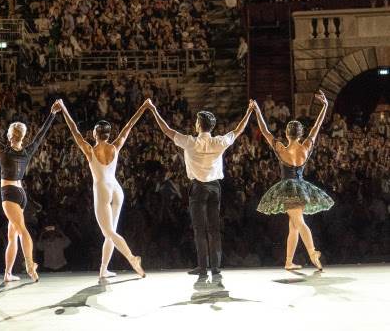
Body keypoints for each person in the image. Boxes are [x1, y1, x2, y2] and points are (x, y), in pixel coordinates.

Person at [147, 99, 254, 278]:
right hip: (214, 188)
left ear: (198, 125)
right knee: (214, 228)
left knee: (199, 229)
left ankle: (203, 267)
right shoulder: (218, 142)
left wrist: (154, 109)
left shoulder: (190, 142)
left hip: (198, 188)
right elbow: (238, 130)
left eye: (196, 122)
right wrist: (249, 110)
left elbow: (167, 130)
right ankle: (216, 267)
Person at [54, 99, 148, 279]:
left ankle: (131, 258)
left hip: (102, 189)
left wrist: (64, 109)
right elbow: (129, 126)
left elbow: (74, 130)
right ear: (108, 134)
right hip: (116, 189)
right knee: (110, 233)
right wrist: (143, 107)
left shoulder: (90, 150)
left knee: (109, 232)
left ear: (95, 134)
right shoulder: (115, 146)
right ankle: (103, 269)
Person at [0, 100, 56, 282]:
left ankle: (29, 264)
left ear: (9, 135)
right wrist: (51, 114)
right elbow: (41, 136)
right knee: (12, 235)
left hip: (10, 193)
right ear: (22, 136)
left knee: (21, 230)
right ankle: (8, 273)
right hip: (21, 194)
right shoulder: (27, 151)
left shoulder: (3, 152)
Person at [252, 92, 332, 270]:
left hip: (289, 189)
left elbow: (264, 131)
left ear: (287, 135)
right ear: (300, 134)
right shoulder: (306, 147)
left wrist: (257, 110)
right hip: (301, 188)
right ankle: (298, 258)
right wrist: (325, 106)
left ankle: (305, 256)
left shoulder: (281, 148)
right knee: (295, 224)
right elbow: (317, 127)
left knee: (297, 224)